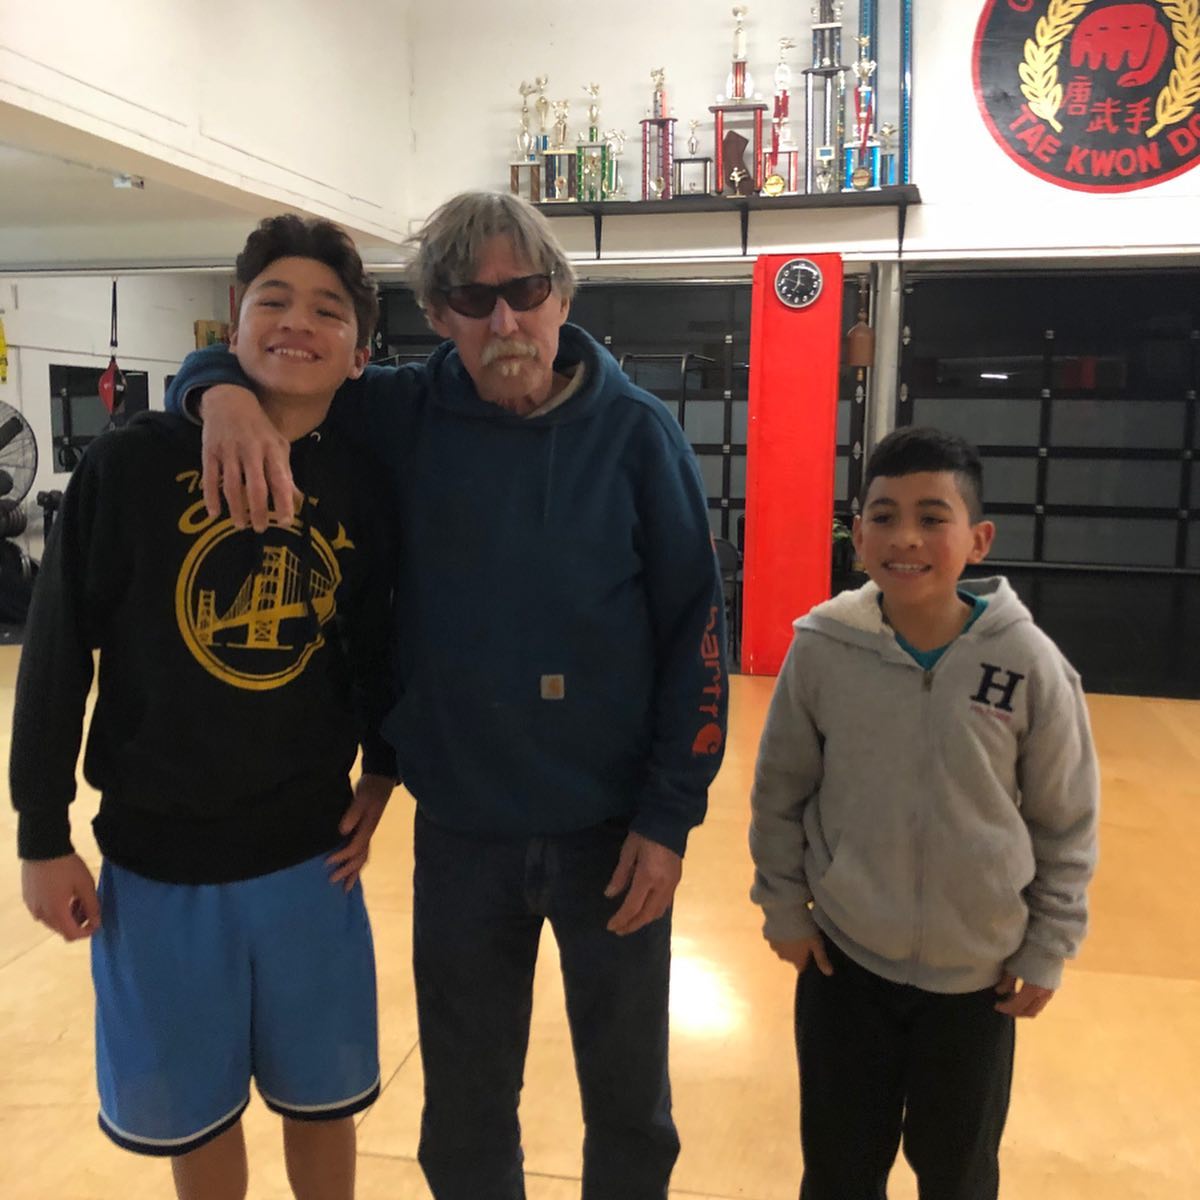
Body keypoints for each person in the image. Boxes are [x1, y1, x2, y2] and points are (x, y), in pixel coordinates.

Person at [163, 190, 729, 1200]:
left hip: (614, 837)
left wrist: (669, 818)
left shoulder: (639, 437)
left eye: (526, 291)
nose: (504, 319)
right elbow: (280, 366)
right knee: (465, 1114)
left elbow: (698, 635)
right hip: (465, 837)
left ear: (562, 297)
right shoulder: (404, 415)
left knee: (630, 1105)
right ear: (437, 314)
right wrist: (218, 393)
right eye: (472, 298)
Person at [12, 215, 397, 1200]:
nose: (298, 323)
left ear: (359, 352)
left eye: (328, 310)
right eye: (275, 301)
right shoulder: (132, 466)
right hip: (158, 865)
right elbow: (56, 655)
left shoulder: (361, 482)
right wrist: (42, 834)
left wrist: (387, 768)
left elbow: (377, 645)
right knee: (197, 1115)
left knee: (323, 1103)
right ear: (234, 323)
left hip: (312, 862)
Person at [748, 426, 1100, 1200]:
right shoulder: (823, 648)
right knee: (839, 1170)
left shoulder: (1028, 663)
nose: (905, 538)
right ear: (858, 534)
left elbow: (1066, 820)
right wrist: (784, 907)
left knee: (958, 1173)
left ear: (978, 539)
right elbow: (780, 791)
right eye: (884, 516)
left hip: (978, 982)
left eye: (932, 518)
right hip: (845, 964)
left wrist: (1048, 944)